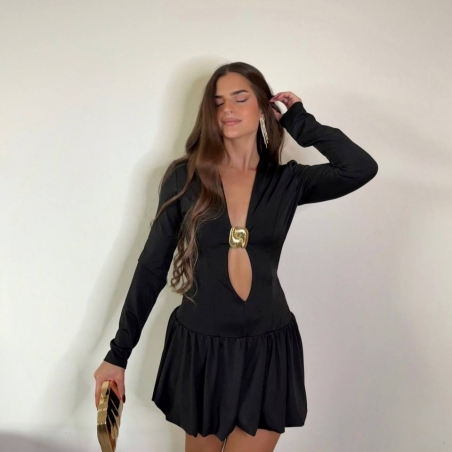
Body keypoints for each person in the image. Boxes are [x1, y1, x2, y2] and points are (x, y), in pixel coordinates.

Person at [93, 61, 378, 452]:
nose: (227, 108)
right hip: (202, 351)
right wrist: (118, 355)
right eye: (217, 102)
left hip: (268, 349)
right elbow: (151, 267)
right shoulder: (185, 178)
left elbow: (360, 168)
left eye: (240, 98)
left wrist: (300, 121)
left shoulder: (288, 181)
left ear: (263, 106)